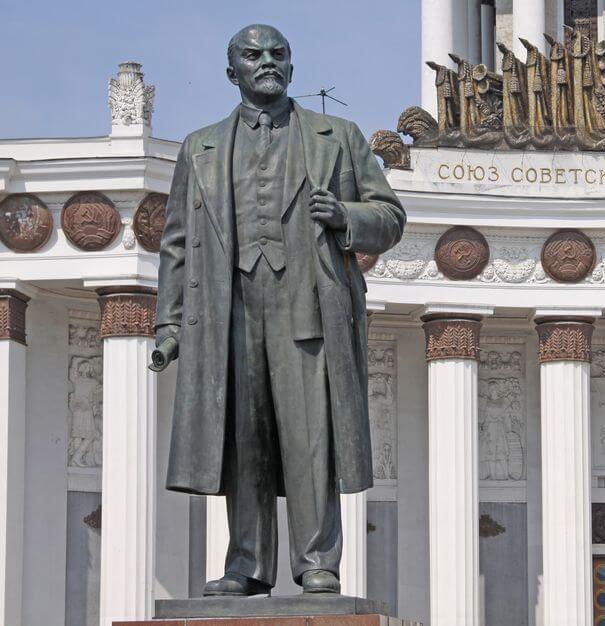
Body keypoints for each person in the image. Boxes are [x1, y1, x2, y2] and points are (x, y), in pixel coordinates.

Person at [153, 23, 405, 596]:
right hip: (230, 311)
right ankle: (247, 564)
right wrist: (168, 323)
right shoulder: (200, 147)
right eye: (253, 54)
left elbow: (390, 216)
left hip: (308, 310)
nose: (266, 61)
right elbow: (176, 242)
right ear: (231, 70)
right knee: (244, 440)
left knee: (309, 438)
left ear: (291, 66)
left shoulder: (336, 136)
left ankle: (317, 560)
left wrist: (346, 216)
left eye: (277, 53)